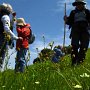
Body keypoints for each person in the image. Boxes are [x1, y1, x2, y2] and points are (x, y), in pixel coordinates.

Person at [64, 0, 90, 65]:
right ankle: (74, 62)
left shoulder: (87, 11)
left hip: (85, 29)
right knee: (74, 45)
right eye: (77, 4)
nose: (78, 5)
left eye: (80, 4)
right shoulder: (73, 12)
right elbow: (70, 21)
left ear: (83, 4)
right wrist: (66, 19)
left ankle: (80, 61)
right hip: (75, 30)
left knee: (84, 46)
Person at [0, 3, 22, 71]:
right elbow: (7, 29)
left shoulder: (2, 16)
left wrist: (13, 17)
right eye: (10, 9)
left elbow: (11, 24)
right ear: (8, 9)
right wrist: (16, 38)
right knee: (1, 58)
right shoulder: (5, 17)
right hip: (3, 38)